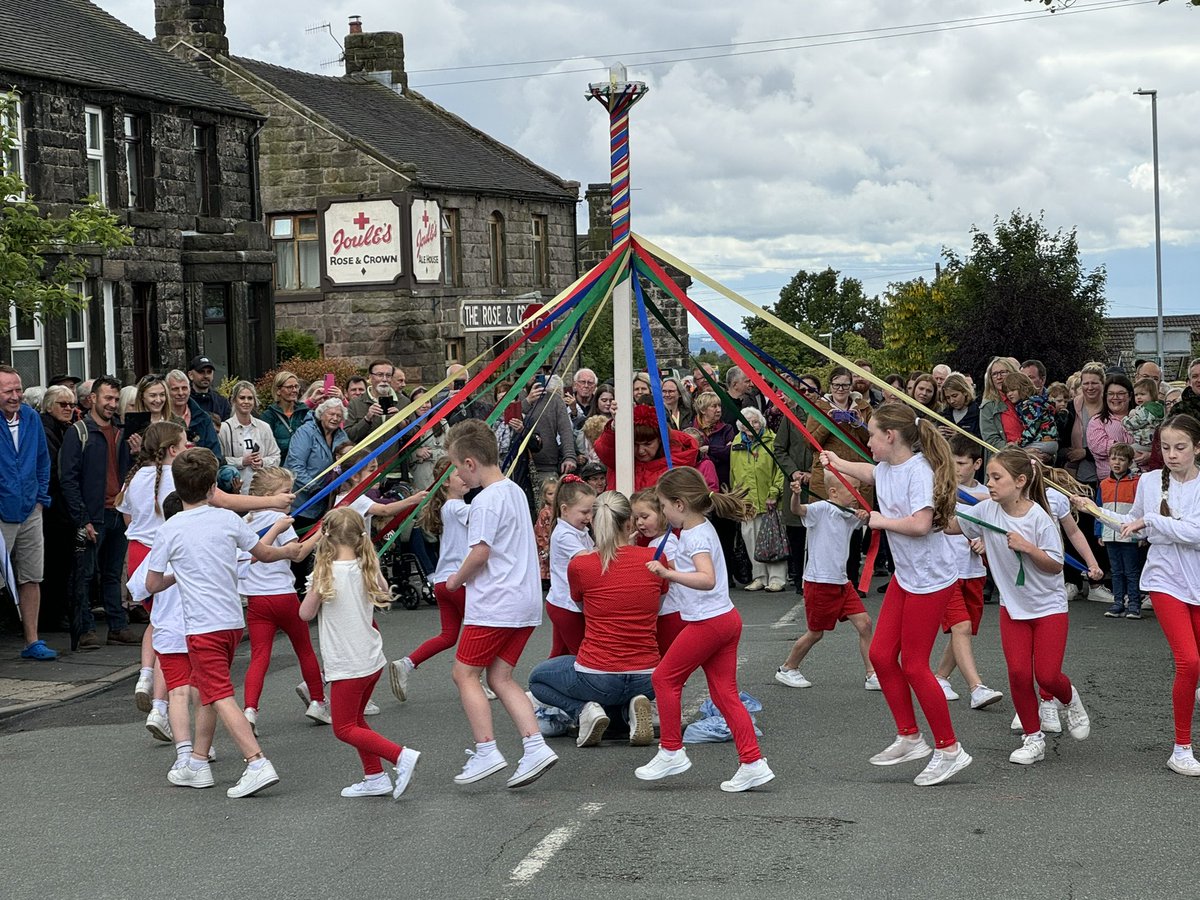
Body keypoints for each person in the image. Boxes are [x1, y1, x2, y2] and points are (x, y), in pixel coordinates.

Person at [821, 401, 972, 787]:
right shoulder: (888, 468)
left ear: (890, 436)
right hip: (908, 578)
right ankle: (909, 736)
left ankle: (950, 749)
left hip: (931, 579)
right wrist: (836, 461)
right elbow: (869, 472)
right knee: (881, 654)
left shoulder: (919, 473)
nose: (867, 440)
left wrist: (877, 520)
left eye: (872, 434)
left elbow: (921, 524)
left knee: (915, 665)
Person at [145, 447, 307, 797]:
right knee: (207, 691)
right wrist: (288, 552)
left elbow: (152, 584)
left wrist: (178, 575)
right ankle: (199, 762)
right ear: (212, 487)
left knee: (217, 694)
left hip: (201, 626)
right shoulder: (228, 519)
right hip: (233, 622)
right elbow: (262, 554)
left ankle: (256, 760)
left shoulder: (170, 530)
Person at [638, 466, 774, 792]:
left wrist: (668, 574)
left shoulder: (695, 535)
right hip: (725, 619)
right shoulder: (698, 526)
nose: (663, 512)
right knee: (725, 695)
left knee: (664, 678)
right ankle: (752, 762)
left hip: (709, 622)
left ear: (680, 505)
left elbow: (707, 578)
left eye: (664, 506)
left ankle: (671, 750)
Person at [952, 449, 1091, 766]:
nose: (990, 483)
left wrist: (1027, 547)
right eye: (989, 477)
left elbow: (1055, 566)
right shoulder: (986, 510)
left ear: (1020, 481)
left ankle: (1070, 700)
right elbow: (950, 526)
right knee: (1017, 673)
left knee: (1047, 675)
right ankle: (1033, 738)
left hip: (1048, 607)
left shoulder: (1039, 517)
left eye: (996, 477)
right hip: (1013, 608)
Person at [443, 420, 558, 788]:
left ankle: (487, 749)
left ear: (471, 463)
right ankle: (534, 745)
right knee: (500, 676)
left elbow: (480, 553)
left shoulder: (485, 501)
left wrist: (455, 580)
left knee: (464, 674)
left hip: (495, 603)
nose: (458, 474)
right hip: (523, 603)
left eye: (458, 466)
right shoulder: (513, 491)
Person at [299, 507, 420, 799]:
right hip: (370, 659)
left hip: (347, 663)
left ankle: (399, 756)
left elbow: (305, 614)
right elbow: (382, 590)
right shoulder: (367, 566)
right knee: (356, 721)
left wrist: (315, 587)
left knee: (343, 727)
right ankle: (374, 776)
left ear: (325, 537)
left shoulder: (324, 574)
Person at [528, 490, 664, 748]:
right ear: (629, 523)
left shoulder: (581, 566)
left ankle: (583, 710)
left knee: (537, 679)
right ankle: (631, 709)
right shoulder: (655, 559)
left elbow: (583, 608)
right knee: (621, 679)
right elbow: (657, 607)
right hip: (648, 674)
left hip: (599, 675)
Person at [1109, 414, 1200, 775]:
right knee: (1188, 662)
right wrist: (1094, 511)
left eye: (1180, 447)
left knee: (1197, 663)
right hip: (1164, 580)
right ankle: (1181, 748)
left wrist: (1151, 521)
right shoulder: (1148, 481)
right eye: (1165, 447)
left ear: (1197, 447)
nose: (1172, 454)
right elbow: (1131, 524)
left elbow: (1195, 533)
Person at [239, 467, 326, 731]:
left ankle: (250, 710)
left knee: (259, 656)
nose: (290, 498)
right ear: (268, 495)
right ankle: (318, 702)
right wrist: (320, 532)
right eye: (286, 492)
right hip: (283, 597)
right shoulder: (279, 520)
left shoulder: (245, 521)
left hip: (256, 601)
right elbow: (297, 554)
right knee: (304, 649)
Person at [774, 473, 878, 690]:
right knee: (816, 632)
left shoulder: (849, 514)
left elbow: (869, 519)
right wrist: (795, 495)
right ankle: (788, 668)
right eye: (853, 489)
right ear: (833, 492)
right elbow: (798, 510)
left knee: (865, 623)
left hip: (842, 582)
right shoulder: (821, 508)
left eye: (858, 489)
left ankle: (872, 674)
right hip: (819, 582)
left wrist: (865, 516)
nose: (857, 494)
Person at [59, 376, 139, 647]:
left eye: (116, 399)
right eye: (107, 398)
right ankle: (85, 630)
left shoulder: (121, 432)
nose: (112, 404)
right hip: (93, 514)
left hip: (116, 511)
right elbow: (68, 479)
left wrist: (137, 454)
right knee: (85, 574)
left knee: (113, 572)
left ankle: (117, 625)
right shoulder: (78, 432)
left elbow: (129, 473)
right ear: (93, 398)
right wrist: (83, 519)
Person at [116, 421, 187, 725]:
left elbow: (127, 518)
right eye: (184, 445)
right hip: (163, 555)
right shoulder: (178, 476)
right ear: (172, 449)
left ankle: (145, 675)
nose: (187, 450)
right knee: (169, 630)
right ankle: (160, 706)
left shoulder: (133, 479)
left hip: (137, 553)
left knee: (157, 622)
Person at [389, 459, 470, 701]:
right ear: (445, 483)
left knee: (448, 636)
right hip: (459, 581)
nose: (465, 477)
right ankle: (473, 679)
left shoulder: (447, 507)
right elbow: (489, 513)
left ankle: (407, 663)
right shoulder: (457, 508)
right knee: (480, 630)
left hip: (444, 582)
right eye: (459, 475)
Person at [933, 436, 1004, 709]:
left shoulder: (990, 496)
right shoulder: (939, 489)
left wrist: (984, 542)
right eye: (952, 462)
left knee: (964, 630)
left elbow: (992, 527)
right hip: (946, 571)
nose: (956, 468)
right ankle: (977, 688)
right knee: (960, 626)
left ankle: (940, 677)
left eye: (961, 463)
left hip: (973, 571)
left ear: (976, 464)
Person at [0, 365, 56, 660]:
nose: (15, 396)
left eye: (18, 389)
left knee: (32, 575)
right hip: (1, 510)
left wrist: (40, 496)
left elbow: (42, 459)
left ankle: (32, 640)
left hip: (30, 507)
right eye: (8, 391)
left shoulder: (31, 418)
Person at [807, 367, 873, 586]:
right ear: (830, 386)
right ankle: (819, 579)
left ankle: (851, 580)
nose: (841, 389)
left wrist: (857, 423)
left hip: (856, 474)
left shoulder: (864, 407)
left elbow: (871, 441)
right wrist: (829, 422)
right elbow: (811, 442)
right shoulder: (819, 407)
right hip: (828, 475)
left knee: (854, 527)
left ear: (851, 386)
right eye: (837, 385)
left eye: (845, 385)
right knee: (825, 528)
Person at [730, 406, 786, 592]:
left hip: (769, 499)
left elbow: (780, 469)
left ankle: (777, 578)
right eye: (746, 423)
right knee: (751, 540)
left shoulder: (771, 440)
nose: (751, 426)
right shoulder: (736, 444)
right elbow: (734, 473)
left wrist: (774, 492)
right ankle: (759, 577)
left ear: (761, 422)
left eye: (754, 421)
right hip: (747, 502)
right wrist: (736, 497)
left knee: (772, 540)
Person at [594, 403, 699, 492]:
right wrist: (616, 426)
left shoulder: (678, 461)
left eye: (647, 444)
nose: (641, 451)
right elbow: (604, 450)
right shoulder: (619, 457)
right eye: (635, 444)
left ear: (660, 440)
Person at [38, 385, 76, 633]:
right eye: (63, 404)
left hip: (62, 507)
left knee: (63, 564)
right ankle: (51, 616)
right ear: (49, 405)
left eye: (72, 404)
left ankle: (58, 613)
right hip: (52, 507)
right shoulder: (46, 428)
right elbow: (56, 469)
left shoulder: (65, 429)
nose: (69, 408)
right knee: (53, 564)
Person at [546, 475, 597, 658]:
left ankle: (542, 685)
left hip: (562, 603)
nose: (589, 517)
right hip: (567, 606)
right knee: (581, 654)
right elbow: (586, 560)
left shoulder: (578, 530)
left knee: (560, 653)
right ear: (565, 509)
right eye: (584, 512)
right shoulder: (564, 535)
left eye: (592, 511)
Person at [630, 487, 683, 654]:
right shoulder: (655, 542)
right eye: (636, 518)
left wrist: (660, 569)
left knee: (665, 658)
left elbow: (677, 571)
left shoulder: (667, 542)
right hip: (663, 610)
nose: (639, 523)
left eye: (645, 517)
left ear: (662, 514)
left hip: (670, 610)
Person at [1095, 443, 1143, 619]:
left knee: (1131, 571)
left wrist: (1141, 533)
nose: (1117, 462)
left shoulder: (1136, 483)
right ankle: (1117, 603)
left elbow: (1141, 510)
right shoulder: (1104, 484)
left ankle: (1134, 605)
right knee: (1116, 571)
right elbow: (1097, 509)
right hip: (1109, 533)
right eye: (1114, 458)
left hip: (1129, 533)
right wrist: (1099, 532)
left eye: (1122, 459)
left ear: (1130, 462)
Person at [286, 398, 349, 529]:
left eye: (339, 416)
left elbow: (346, 462)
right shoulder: (305, 432)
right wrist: (314, 488)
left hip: (326, 505)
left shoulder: (342, 436)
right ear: (321, 414)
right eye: (331, 414)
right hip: (300, 502)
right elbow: (295, 465)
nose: (335, 418)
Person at [219, 381, 281, 494]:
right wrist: (241, 461)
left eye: (250, 398)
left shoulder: (264, 427)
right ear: (234, 400)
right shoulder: (224, 428)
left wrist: (262, 462)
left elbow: (276, 456)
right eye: (242, 398)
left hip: (261, 490)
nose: (246, 402)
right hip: (235, 492)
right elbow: (218, 460)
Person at [1087, 374, 1134, 482]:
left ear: (1130, 396)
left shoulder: (1142, 419)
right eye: (1111, 394)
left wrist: (1147, 454)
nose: (1115, 397)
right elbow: (1098, 446)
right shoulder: (1096, 421)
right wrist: (1131, 451)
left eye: (1121, 394)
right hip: (1109, 481)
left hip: (1140, 479)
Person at [345, 359, 405, 443]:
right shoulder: (355, 403)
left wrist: (400, 421)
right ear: (370, 377)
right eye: (380, 375)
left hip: (395, 456)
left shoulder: (404, 401)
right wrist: (367, 419)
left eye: (388, 375)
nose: (384, 379)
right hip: (367, 456)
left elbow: (414, 436)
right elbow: (349, 437)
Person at [1002, 372, 1058, 460]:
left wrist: (1019, 443)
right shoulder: (1038, 401)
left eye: (1012, 390)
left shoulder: (1028, 405)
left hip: (1043, 442)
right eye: (1007, 392)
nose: (1009, 394)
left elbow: (1032, 427)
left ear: (1023, 388)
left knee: (1015, 454)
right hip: (1051, 442)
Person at [165, 369, 220, 457]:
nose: (180, 393)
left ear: (190, 390)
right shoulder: (161, 418)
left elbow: (215, 453)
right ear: (167, 392)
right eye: (175, 389)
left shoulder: (203, 418)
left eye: (184, 388)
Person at [260, 371, 309, 465]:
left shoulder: (305, 412)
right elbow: (266, 446)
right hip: (280, 467)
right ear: (278, 390)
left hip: (303, 465)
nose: (294, 390)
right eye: (289, 387)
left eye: (296, 386)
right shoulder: (268, 416)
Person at [979, 356, 1021, 450]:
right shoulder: (988, 406)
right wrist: (1018, 451)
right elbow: (991, 440)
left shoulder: (1026, 398)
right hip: (1005, 458)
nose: (999, 377)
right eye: (994, 374)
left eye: (1003, 372)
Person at [1124, 377, 1165, 464]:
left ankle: (1134, 471)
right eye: (1136, 395)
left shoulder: (1148, 409)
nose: (1139, 397)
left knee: (1127, 451)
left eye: (1142, 394)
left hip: (1148, 442)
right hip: (1150, 441)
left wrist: (1125, 419)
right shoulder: (1156, 407)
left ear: (1152, 394)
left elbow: (1134, 423)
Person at [187, 356, 231, 421]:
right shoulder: (184, 401)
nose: (206, 376)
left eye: (209, 372)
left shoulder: (222, 403)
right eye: (201, 372)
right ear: (190, 375)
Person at [938, 373, 980, 440]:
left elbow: (982, 441)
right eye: (948, 397)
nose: (952, 401)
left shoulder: (978, 414)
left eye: (955, 396)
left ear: (965, 392)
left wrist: (959, 437)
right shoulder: (943, 415)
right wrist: (937, 435)